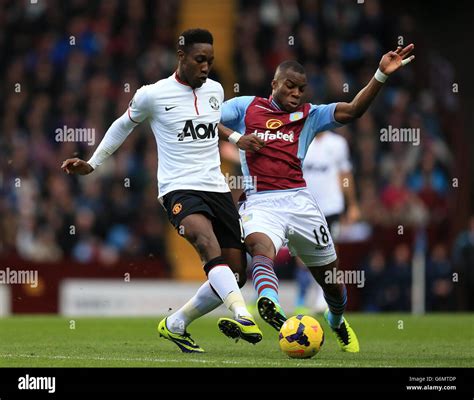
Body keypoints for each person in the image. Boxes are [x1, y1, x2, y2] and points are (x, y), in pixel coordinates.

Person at [61, 28, 266, 353]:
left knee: (236, 272)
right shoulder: (152, 95)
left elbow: (211, 124)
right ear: (181, 56)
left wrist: (236, 139)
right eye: (200, 59)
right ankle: (242, 312)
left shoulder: (215, 89)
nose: (206, 67)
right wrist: (92, 164)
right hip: (178, 189)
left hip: (216, 187)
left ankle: (176, 323)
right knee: (204, 241)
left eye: (210, 61)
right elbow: (122, 125)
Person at [219, 44, 415, 352]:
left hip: (300, 202)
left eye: (301, 88)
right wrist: (235, 137)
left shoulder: (309, 115)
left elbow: (352, 110)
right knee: (259, 246)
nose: (296, 93)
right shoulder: (246, 107)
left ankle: (336, 321)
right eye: (290, 86)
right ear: (274, 84)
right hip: (260, 200)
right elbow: (204, 117)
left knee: (332, 284)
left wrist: (380, 75)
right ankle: (269, 302)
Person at [294, 130, 361, 314]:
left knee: (329, 250)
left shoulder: (337, 143)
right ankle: (304, 293)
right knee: (302, 252)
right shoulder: (300, 138)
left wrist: (352, 204)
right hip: (305, 205)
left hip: (331, 206)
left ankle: (323, 295)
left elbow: (345, 174)